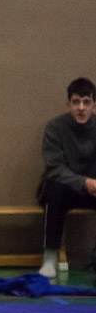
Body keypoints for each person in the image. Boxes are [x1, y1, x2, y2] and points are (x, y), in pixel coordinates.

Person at [36, 77, 96, 277]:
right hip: (65, 189)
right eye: (76, 102)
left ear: (94, 106)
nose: (81, 108)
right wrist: (84, 182)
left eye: (86, 102)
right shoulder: (55, 127)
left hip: (94, 189)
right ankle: (49, 258)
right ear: (68, 104)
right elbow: (54, 167)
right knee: (54, 190)